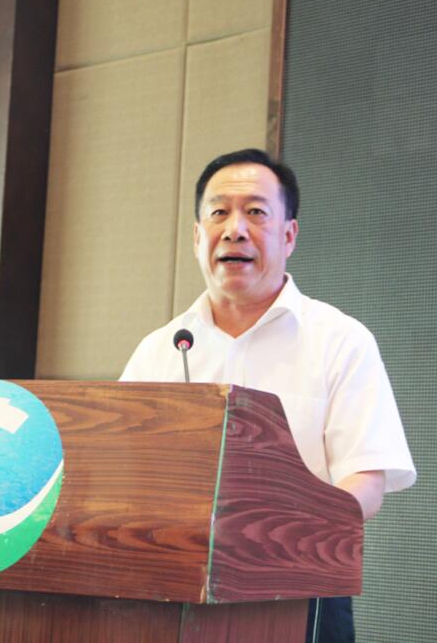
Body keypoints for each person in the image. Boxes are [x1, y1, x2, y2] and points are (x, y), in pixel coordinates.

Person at [120, 148, 416, 642]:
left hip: (299, 591)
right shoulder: (161, 350)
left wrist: (275, 537)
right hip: (172, 590)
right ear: (197, 237)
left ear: (289, 235)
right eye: (218, 212)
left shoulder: (340, 340)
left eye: (256, 212)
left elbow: (366, 481)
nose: (234, 229)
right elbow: (118, 473)